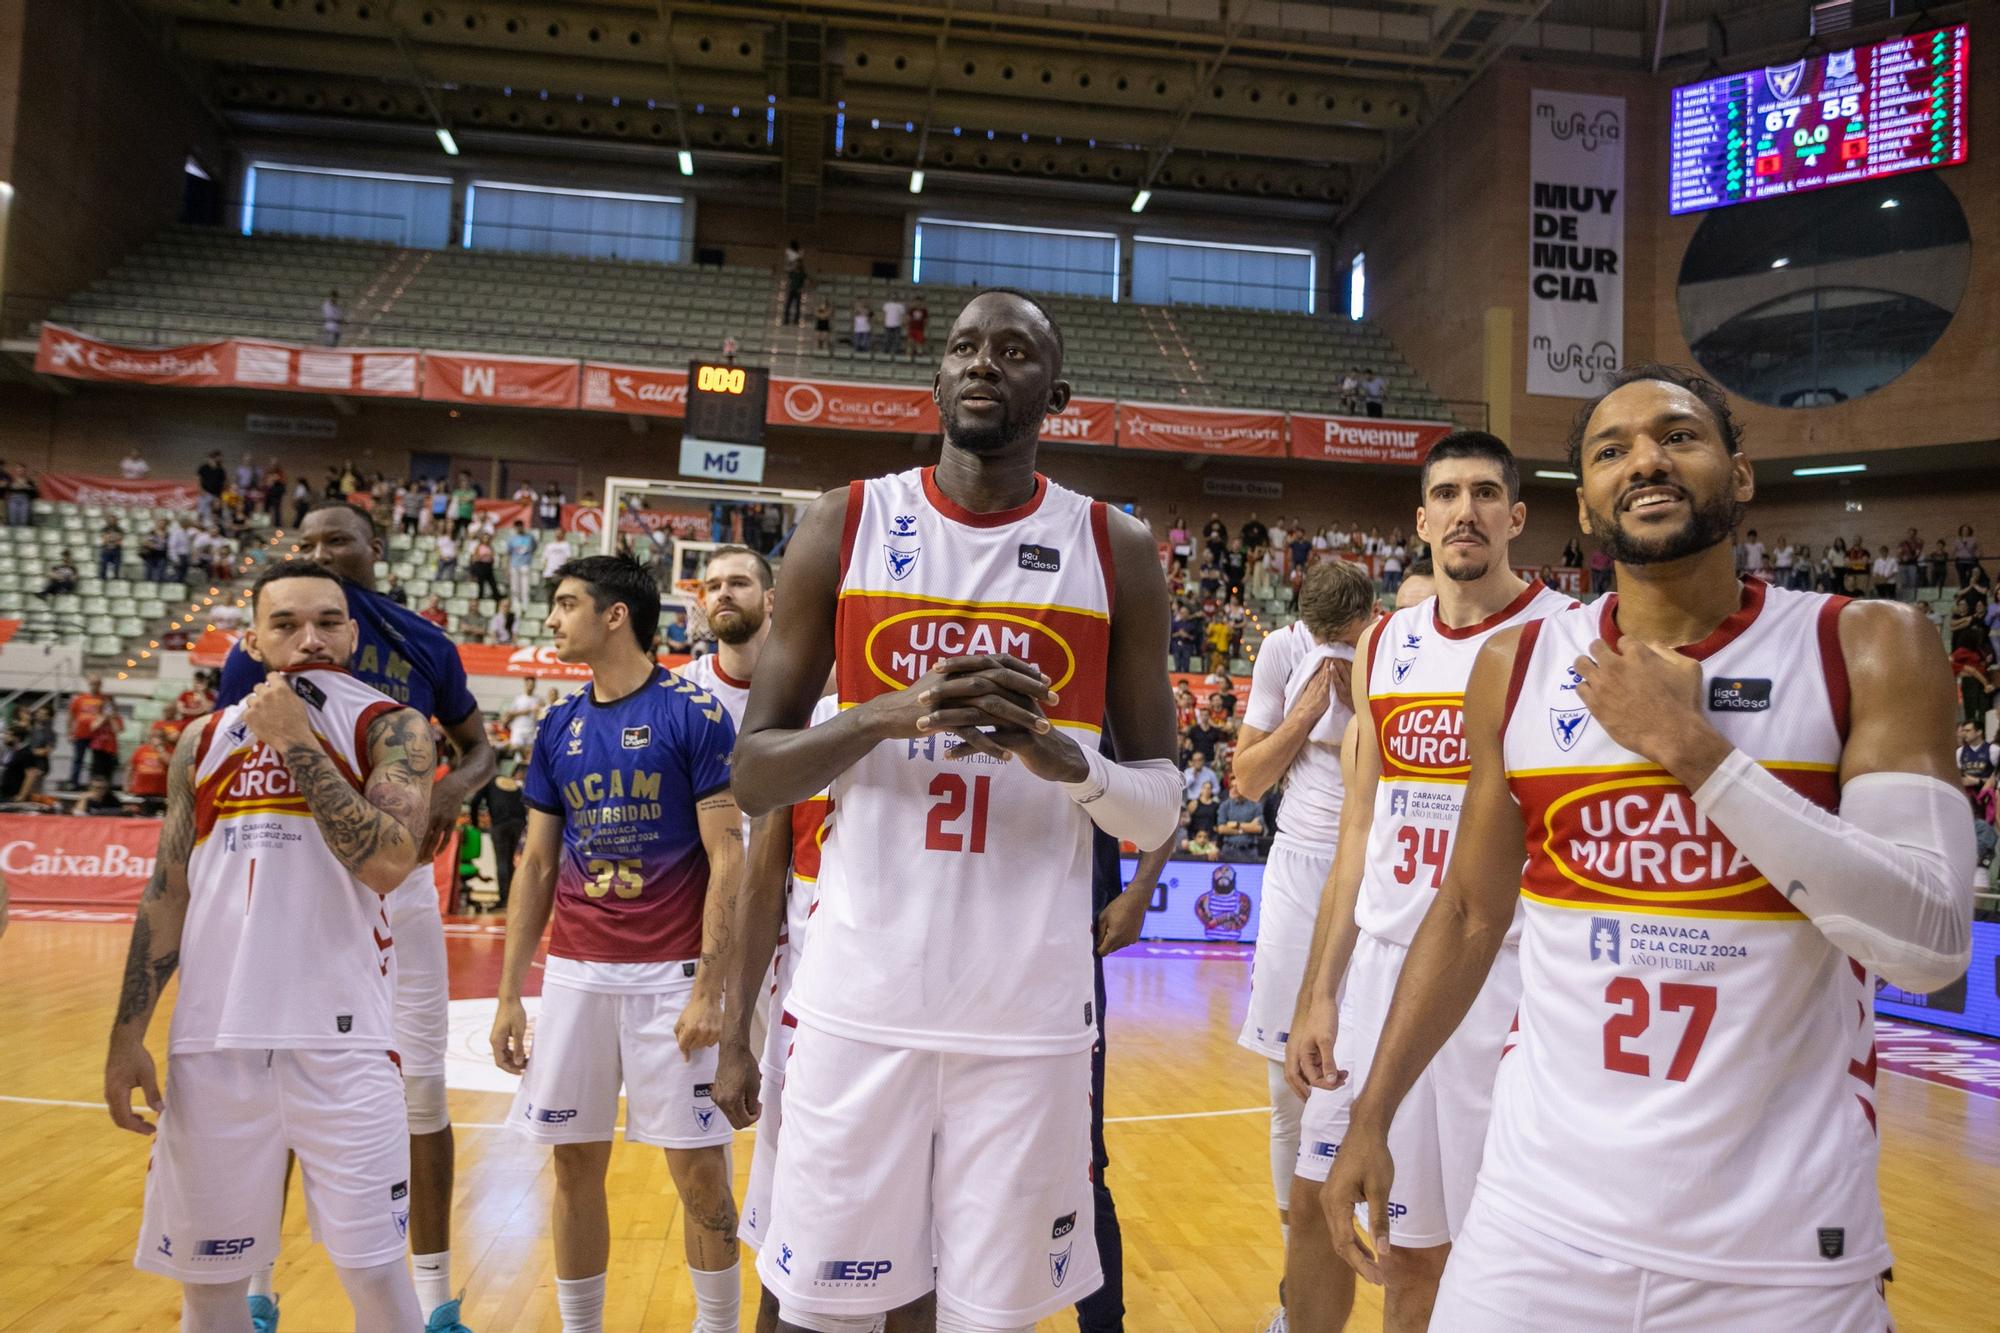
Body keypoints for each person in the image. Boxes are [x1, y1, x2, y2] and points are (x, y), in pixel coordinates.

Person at [1322, 363, 1974, 1330]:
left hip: (1779, 1240)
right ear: (1584, 507)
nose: (1645, 462)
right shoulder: (1520, 663)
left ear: (1740, 474)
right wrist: (1370, 1113)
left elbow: (1928, 943)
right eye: (1611, 449)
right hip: (1537, 1216)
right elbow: (1466, 912)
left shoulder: (1870, 644)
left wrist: (1695, 751)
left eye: (1678, 435)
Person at [732, 288, 1181, 1328]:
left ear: (1054, 393)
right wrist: (885, 715)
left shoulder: (1112, 548)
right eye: (965, 347)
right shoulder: (844, 523)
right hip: (857, 1001)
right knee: (807, 1308)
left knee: (981, 1317)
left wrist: (1058, 756)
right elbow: (756, 774)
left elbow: (1155, 812)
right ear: (935, 379)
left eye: (1015, 350)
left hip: (1026, 1023)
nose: (984, 363)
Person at [104, 560, 435, 1333]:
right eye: (285, 623)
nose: (309, 637)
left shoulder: (392, 726)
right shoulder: (202, 740)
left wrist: (295, 740)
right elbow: (168, 892)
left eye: (327, 620)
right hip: (211, 1047)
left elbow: (388, 859)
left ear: (352, 635)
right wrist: (126, 1036)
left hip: (344, 1047)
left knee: (378, 1281)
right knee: (210, 1290)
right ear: (252, 638)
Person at [1286, 432, 1569, 1333]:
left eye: (1487, 493)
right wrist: (1320, 989)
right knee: (1346, 1223)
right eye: (1446, 494)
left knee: (1453, 1250)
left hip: (1499, 973)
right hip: (1381, 964)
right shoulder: (1387, 643)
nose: (1465, 511)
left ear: (1516, 516)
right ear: (1420, 519)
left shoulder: (1561, 637)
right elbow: (1358, 829)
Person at [214, 503, 496, 1333]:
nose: (321, 552)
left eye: (337, 540)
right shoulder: (254, 654)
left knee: (423, 1083)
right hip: (296, 885)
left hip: (396, 878)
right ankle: (258, 1285)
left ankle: (437, 1297)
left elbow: (478, 747)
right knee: (279, 1076)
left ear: (375, 549)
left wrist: (450, 789)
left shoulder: (423, 641)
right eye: (306, 542)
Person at [490, 556, 746, 1333]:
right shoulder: (559, 726)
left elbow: (728, 854)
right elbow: (535, 861)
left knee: (698, 1171)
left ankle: (717, 1326)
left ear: (614, 616)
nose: (552, 619)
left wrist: (710, 987)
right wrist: (510, 992)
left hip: (670, 977)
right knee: (572, 1163)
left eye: (567, 604)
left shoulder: (694, 713)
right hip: (576, 976)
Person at [1228, 557, 1374, 1265]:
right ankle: (1298, 1274)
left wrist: (1367, 699)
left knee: (1375, 1075)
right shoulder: (1283, 651)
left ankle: (1399, 1252)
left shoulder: (1390, 650)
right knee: (1286, 1086)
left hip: (1376, 872)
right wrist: (1305, 713)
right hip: (1300, 865)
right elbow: (1249, 775)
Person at [66, 675, 109, 791]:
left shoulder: (104, 699)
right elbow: (71, 717)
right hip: (81, 733)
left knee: (96, 762)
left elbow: (108, 714)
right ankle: (73, 783)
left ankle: (93, 785)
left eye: (97, 684)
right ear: (89, 684)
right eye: (93, 683)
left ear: (100, 685)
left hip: (97, 736)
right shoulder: (80, 699)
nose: (95, 686)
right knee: (78, 759)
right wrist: (69, 732)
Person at [125, 728, 171, 814]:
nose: (157, 739)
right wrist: (127, 784)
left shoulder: (168, 750)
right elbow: (130, 767)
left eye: (160, 737)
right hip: (141, 791)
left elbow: (170, 763)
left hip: (160, 792)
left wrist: (160, 749)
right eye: (155, 737)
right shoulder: (141, 750)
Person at [1216, 782, 1266, 859]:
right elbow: (1222, 829)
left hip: (1249, 851)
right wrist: (1246, 829)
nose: (1233, 789)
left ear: (1244, 788)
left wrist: (1237, 825)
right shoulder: (1225, 805)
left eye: (1236, 787)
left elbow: (1258, 829)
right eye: (1232, 787)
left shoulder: (1255, 805)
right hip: (1229, 850)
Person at [507, 521, 539, 607]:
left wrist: (529, 556)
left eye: (520, 526)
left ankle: (526, 605)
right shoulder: (512, 539)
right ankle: (515, 604)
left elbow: (535, 547)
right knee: (515, 586)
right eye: (517, 526)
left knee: (525, 586)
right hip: (514, 564)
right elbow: (509, 554)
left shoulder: (530, 537)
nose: (519, 528)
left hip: (525, 564)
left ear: (523, 526)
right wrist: (507, 567)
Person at [541, 531, 576, 601]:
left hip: (560, 574)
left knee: (559, 595)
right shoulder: (549, 545)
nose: (558, 535)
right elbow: (545, 559)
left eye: (560, 533)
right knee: (549, 596)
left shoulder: (566, 545)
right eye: (557, 533)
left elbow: (568, 559)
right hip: (549, 574)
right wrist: (546, 569)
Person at [468, 532, 500, 603]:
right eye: (485, 538)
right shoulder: (478, 547)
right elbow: (475, 558)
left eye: (487, 538)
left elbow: (493, 557)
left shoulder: (490, 547)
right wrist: (483, 556)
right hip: (481, 566)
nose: (486, 539)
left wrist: (490, 557)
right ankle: (480, 599)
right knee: (481, 585)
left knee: (493, 584)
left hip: (488, 567)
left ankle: (497, 598)